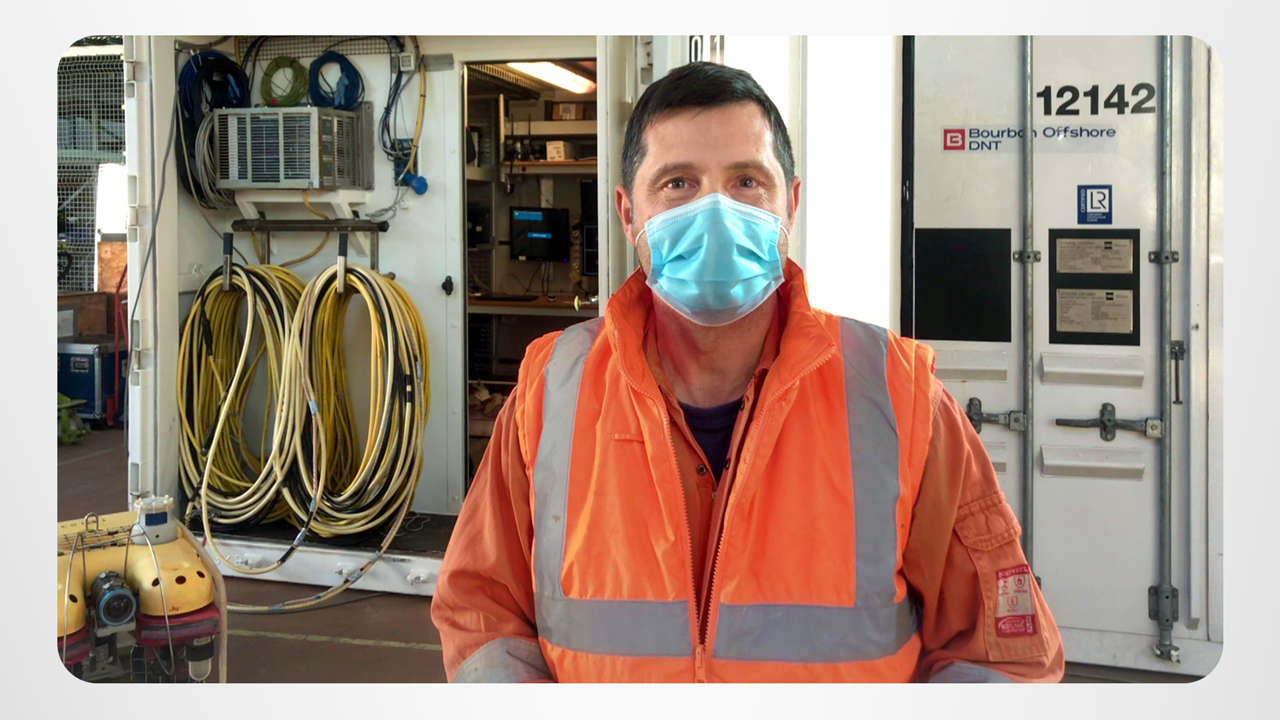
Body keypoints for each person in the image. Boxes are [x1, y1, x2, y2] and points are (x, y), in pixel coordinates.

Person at [431, 61, 1064, 683]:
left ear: (791, 202)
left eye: (746, 181)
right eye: (678, 183)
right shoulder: (551, 391)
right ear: (627, 214)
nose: (715, 212)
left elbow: (999, 656)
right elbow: (483, 610)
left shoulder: (900, 397)